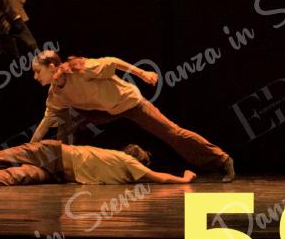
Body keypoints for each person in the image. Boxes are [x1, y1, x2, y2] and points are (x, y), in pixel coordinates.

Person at [29, 51, 236, 183]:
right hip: (102, 113)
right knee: (63, 120)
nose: (35, 77)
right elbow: (45, 123)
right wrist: (29, 148)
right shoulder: (56, 95)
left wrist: (142, 73)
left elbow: (113, 61)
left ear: (52, 67)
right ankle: (62, 169)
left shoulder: (81, 70)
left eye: (38, 71)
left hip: (129, 102)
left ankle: (222, 160)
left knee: (171, 132)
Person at [0, 140, 197, 185]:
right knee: (0, 160)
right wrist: (184, 179)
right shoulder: (126, 164)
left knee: (14, 175)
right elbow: (159, 177)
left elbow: (156, 177)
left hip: (57, 172)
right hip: (54, 155)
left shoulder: (124, 168)